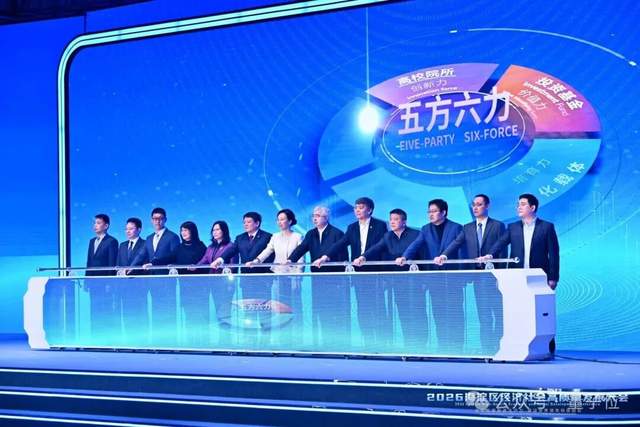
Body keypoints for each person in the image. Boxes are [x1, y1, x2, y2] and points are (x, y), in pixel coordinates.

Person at [435, 194, 507, 352]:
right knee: (483, 314)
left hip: (495, 276)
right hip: (478, 277)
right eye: (473, 204)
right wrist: (444, 255)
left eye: (479, 204)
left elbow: (502, 249)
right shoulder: (467, 227)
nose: (475, 207)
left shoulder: (497, 225)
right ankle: (486, 348)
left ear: (487, 206)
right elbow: (456, 243)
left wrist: (502, 273)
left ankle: (499, 346)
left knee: (499, 313)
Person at [313, 197, 388, 347]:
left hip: (376, 273)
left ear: (370, 210)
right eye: (356, 208)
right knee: (362, 308)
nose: (357, 210)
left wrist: (365, 257)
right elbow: (340, 244)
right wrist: (325, 257)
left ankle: (381, 342)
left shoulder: (380, 225)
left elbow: (382, 247)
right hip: (358, 274)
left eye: (361, 207)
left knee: (378, 308)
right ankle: (367, 342)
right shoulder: (352, 227)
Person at [397, 199, 465, 353]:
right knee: (438, 313)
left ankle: (458, 347)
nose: (430, 214)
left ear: (443, 212)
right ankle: (443, 347)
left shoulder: (456, 227)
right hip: (434, 279)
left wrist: (462, 276)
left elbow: (461, 250)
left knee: (455, 313)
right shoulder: (425, 229)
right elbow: (416, 245)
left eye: (434, 211)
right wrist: (404, 257)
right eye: (429, 211)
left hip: (452, 278)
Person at [352, 209, 424, 348]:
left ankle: (420, 345)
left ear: (404, 221)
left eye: (396, 219)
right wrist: (363, 257)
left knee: (417, 313)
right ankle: (408, 345)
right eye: (391, 219)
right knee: (403, 312)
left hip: (414, 281)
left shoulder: (415, 234)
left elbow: (421, 254)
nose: (392, 222)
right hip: (397, 281)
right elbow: (376, 248)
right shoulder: (388, 236)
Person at [287, 206, 349, 346]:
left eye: (318, 216)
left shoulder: (336, 233)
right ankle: (322, 343)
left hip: (334, 279)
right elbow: (302, 248)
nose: (314, 218)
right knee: (320, 310)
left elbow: (343, 256)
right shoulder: (311, 234)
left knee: (334, 312)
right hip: (317, 279)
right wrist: (291, 259)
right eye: (313, 216)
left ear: (326, 218)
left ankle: (337, 343)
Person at [247, 209, 303, 344]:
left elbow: (300, 257)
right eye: (278, 219)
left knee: (294, 307)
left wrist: (298, 276)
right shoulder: (275, 236)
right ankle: (282, 338)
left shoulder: (297, 236)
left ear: (290, 221)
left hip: (292, 277)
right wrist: (256, 261)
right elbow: (267, 250)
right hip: (278, 276)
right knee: (279, 307)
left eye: (282, 219)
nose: (279, 222)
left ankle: (296, 339)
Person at [483, 193, 560, 290]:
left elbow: (554, 254)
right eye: (518, 205)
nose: (519, 207)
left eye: (523, 204)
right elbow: (500, 243)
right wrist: (490, 255)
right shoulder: (513, 227)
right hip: (516, 274)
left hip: (539, 275)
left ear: (532, 208)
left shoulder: (547, 227)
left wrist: (553, 277)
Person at [131, 207, 181, 344]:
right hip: (152, 280)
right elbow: (141, 255)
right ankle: (158, 342)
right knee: (156, 310)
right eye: (154, 219)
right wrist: (130, 268)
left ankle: (170, 342)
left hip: (166, 280)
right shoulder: (149, 238)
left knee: (168, 311)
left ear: (165, 220)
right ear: (151, 220)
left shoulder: (173, 237)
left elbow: (174, 255)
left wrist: (155, 263)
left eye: (160, 218)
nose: (157, 221)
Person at [212, 212, 274, 300]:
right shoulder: (240, 238)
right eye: (244, 222)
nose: (245, 224)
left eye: (249, 222)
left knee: (264, 306)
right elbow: (231, 250)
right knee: (247, 307)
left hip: (263, 280)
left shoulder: (267, 236)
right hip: (246, 280)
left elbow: (270, 256)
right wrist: (220, 259)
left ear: (257, 223)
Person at [195, 220, 237, 344]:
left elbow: (233, 266)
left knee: (225, 311)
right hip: (212, 283)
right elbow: (203, 261)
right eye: (213, 230)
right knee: (217, 310)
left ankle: (226, 341)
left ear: (224, 231)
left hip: (225, 284)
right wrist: (193, 267)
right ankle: (218, 340)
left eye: (218, 229)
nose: (215, 232)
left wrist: (229, 279)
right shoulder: (210, 247)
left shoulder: (231, 246)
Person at [85, 214, 118, 341]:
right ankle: (95, 338)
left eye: (98, 223)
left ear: (106, 225)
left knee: (105, 309)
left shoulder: (111, 241)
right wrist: (87, 280)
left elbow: (111, 263)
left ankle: (107, 338)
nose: (95, 225)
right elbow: (89, 263)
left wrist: (109, 282)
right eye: (95, 223)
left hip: (105, 283)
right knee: (94, 309)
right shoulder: (91, 241)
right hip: (93, 283)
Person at [115, 217, 147, 343]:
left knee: (139, 314)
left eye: (131, 229)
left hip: (139, 285)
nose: (127, 231)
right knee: (126, 314)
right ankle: (129, 342)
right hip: (124, 286)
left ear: (139, 229)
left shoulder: (145, 244)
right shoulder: (122, 245)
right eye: (126, 229)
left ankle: (141, 342)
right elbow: (118, 264)